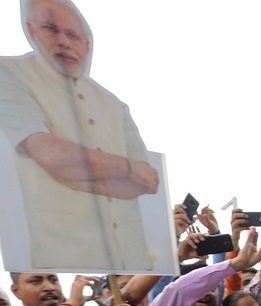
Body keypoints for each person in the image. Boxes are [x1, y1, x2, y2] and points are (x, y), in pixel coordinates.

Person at [0, 0, 160, 271]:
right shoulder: (10, 74)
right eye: (51, 29)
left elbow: (143, 184)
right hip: (67, 258)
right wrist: (126, 167)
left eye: (72, 34)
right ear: (32, 30)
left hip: (131, 258)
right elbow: (51, 154)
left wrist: (72, 174)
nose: (63, 41)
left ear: (86, 45)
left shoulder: (114, 105)